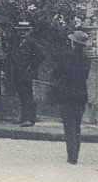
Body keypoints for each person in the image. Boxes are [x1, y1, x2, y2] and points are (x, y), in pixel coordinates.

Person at [54, 31, 93, 164]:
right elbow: (84, 76)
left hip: (66, 95)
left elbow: (56, 72)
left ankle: (71, 156)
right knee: (77, 126)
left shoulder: (66, 56)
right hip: (80, 95)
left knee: (68, 126)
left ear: (73, 43)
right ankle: (75, 154)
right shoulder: (87, 59)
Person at [8, 20, 46, 127]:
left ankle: (30, 119)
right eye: (20, 31)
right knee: (22, 96)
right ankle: (23, 117)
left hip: (27, 74)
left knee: (28, 96)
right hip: (18, 73)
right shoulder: (18, 42)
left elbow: (41, 55)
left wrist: (32, 66)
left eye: (25, 31)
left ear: (29, 31)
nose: (22, 33)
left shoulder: (32, 42)